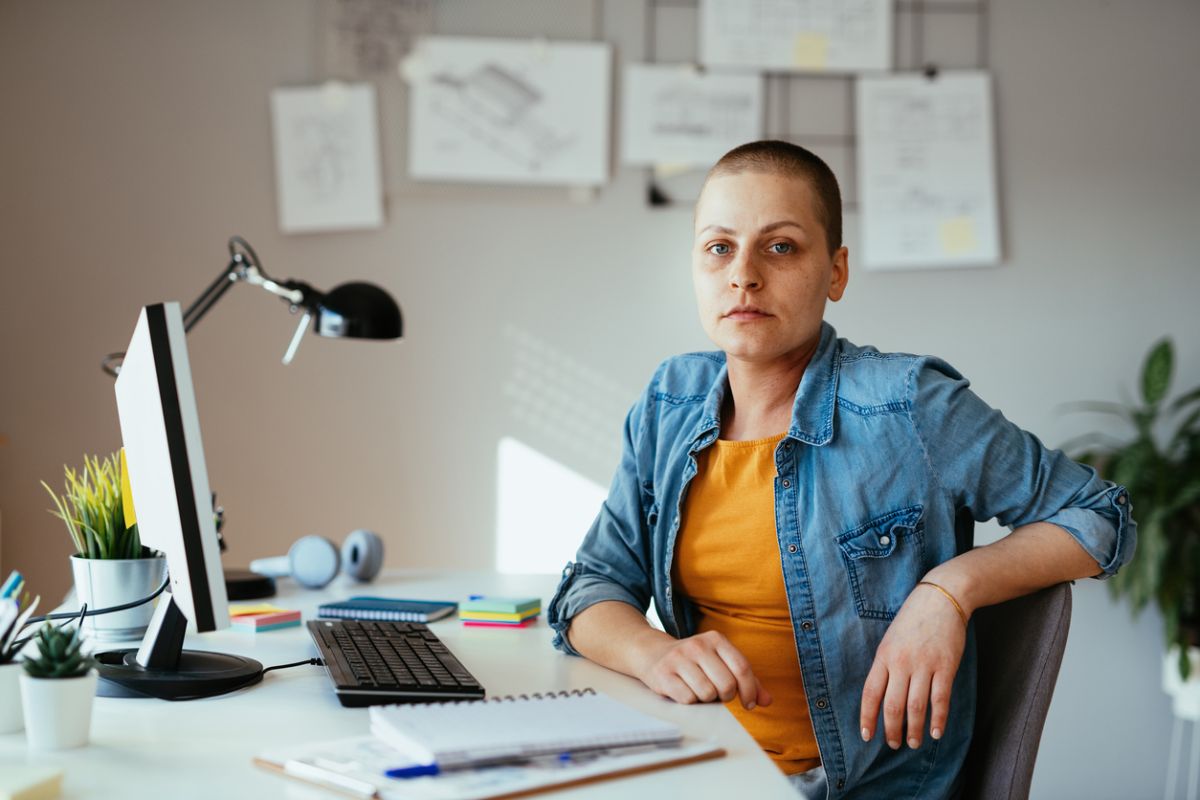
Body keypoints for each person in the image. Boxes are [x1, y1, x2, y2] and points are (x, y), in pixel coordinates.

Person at [546, 140, 1135, 799]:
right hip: (700, 763)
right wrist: (655, 653)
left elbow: (1101, 515)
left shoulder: (909, 405)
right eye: (719, 247)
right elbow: (590, 587)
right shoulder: (668, 403)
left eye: (780, 246)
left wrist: (950, 589)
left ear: (836, 271)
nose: (743, 275)